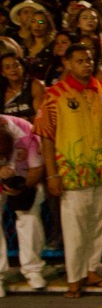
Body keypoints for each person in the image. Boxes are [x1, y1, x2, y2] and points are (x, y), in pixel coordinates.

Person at [36, 43, 102, 297]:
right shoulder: (55, 94)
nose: (86, 64)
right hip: (72, 171)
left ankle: (91, 270)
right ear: (67, 64)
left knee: (98, 224)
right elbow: (47, 137)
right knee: (74, 227)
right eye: (80, 60)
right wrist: (52, 174)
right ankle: (74, 277)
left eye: (89, 60)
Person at [0, 114, 47, 294]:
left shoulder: (26, 133)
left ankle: (33, 269)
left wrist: (22, 188)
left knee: (29, 215)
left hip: (23, 172)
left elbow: (36, 168)